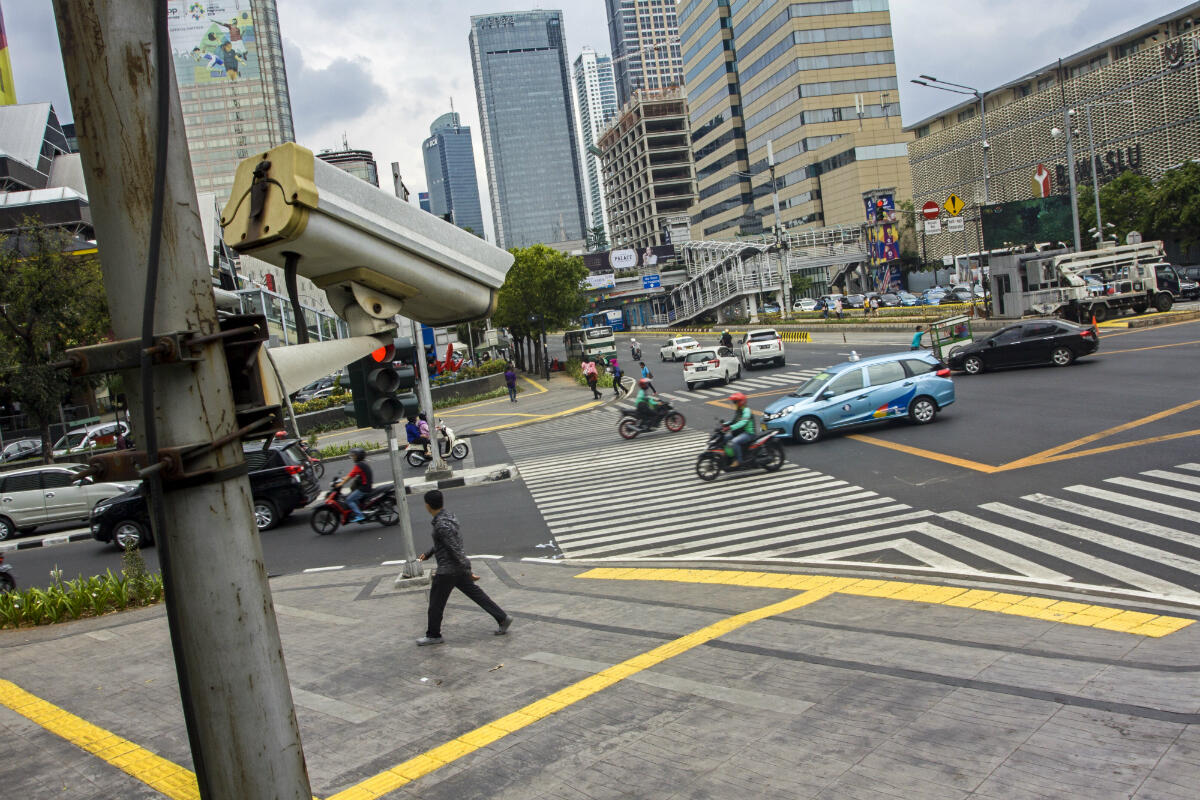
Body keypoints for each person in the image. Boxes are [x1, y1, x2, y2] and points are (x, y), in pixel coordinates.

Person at [416, 490, 512, 646]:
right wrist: (428, 553)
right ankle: (502, 618)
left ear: (427, 505)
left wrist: (468, 570)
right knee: (476, 594)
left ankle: (433, 635)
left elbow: (454, 549)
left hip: (448, 570)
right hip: (456, 568)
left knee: (435, 604)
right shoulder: (447, 517)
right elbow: (443, 543)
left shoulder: (441, 525)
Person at [335, 448, 372, 523]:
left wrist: (341, 484)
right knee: (353, 497)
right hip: (366, 485)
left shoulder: (359, 465)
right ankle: (360, 509)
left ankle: (360, 515)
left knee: (348, 500)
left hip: (364, 488)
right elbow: (354, 474)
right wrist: (344, 478)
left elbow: (351, 476)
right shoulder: (363, 463)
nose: (353, 457)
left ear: (358, 456)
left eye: (354, 456)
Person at [725, 392, 755, 468]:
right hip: (740, 432)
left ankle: (739, 461)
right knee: (725, 438)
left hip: (748, 433)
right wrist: (725, 424)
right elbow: (734, 421)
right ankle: (729, 456)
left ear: (741, 402)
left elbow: (743, 422)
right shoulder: (739, 410)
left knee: (734, 442)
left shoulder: (746, 411)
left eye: (735, 402)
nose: (734, 403)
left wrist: (730, 427)